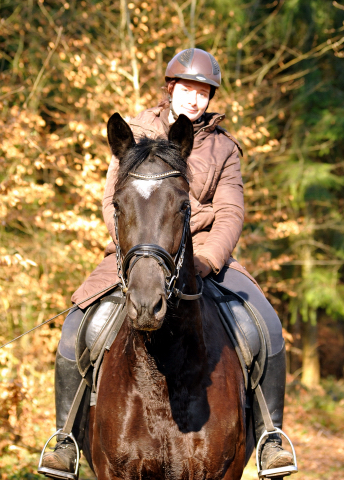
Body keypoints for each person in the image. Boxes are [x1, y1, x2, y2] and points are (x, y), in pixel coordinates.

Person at [40, 48, 295, 477]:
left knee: (264, 323)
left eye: (203, 92)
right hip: (139, 252)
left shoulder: (222, 147)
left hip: (203, 256)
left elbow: (230, 212)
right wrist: (131, 250)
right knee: (79, 323)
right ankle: (64, 438)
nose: (195, 99)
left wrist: (208, 260)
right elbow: (113, 202)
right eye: (188, 89)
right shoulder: (136, 132)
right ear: (171, 88)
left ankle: (272, 436)